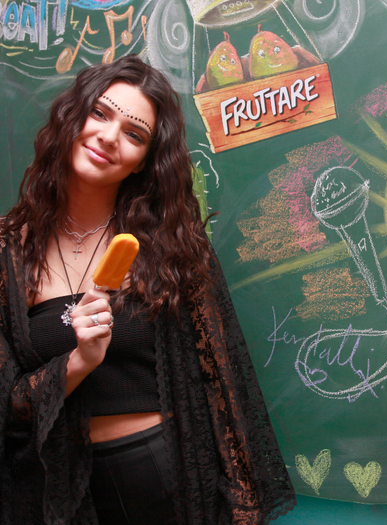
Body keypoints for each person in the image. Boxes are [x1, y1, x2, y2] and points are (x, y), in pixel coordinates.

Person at [0, 55, 295, 524]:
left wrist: (244, 512)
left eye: (134, 134)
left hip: (160, 481)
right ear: (70, 115)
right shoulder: (8, 253)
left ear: (143, 162)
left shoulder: (173, 248)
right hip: (54, 495)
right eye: (99, 113)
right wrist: (78, 362)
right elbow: (8, 408)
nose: (109, 137)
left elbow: (224, 389)